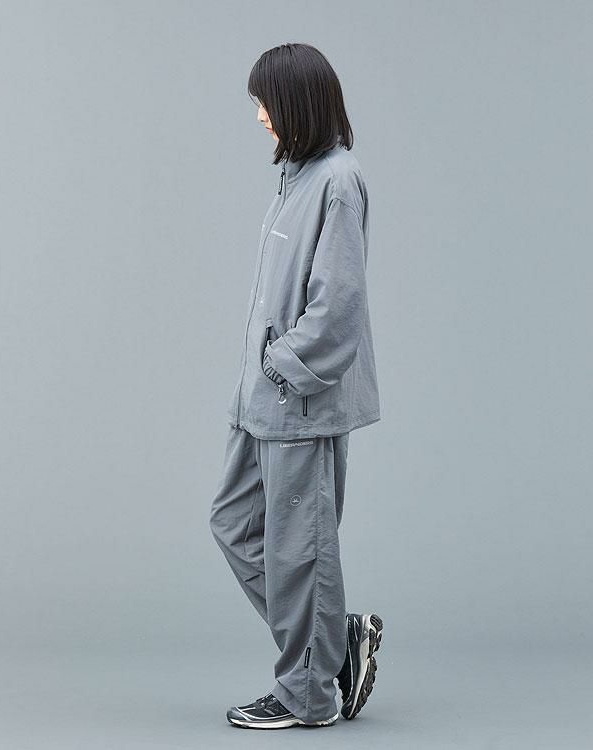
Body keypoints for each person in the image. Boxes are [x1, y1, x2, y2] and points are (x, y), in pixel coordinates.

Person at [209, 42, 383, 729]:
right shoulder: (297, 176)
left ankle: (307, 695)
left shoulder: (338, 182)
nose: (259, 116)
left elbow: (337, 310)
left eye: (266, 102)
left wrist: (280, 365)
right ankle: (333, 643)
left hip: (299, 402)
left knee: (298, 550)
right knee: (234, 525)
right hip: (259, 401)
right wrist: (257, 378)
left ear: (299, 104)